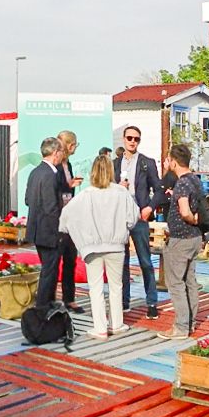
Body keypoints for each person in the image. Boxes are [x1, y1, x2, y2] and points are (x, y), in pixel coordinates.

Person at [59, 154, 137, 338]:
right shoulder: (121, 192)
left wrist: (80, 234)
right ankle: (117, 324)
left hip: (91, 247)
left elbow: (65, 218)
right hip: (116, 245)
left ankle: (100, 328)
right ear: (111, 170)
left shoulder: (85, 194)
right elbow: (133, 219)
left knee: (95, 288)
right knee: (116, 286)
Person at [114, 125, 161, 319]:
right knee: (121, 260)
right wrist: (117, 187)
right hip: (120, 216)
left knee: (145, 260)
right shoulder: (115, 163)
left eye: (136, 139)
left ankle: (151, 301)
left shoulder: (147, 163)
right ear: (123, 140)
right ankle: (123, 301)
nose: (133, 142)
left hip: (139, 214)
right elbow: (104, 187)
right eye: (130, 138)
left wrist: (149, 207)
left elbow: (159, 189)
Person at [160, 143, 203, 339]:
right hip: (194, 237)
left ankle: (181, 327)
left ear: (174, 163)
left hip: (180, 238)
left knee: (176, 283)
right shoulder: (195, 179)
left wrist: (191, 219)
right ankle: (191, 322)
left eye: (168, 160)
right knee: (190, 281)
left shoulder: (182, 183)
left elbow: (185, 211)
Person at [25, 137, 67, 312]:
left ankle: (48, 302)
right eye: (61, 152)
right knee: (49, 271)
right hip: (49, 230)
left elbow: (28, 200)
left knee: (48, 268)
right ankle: (42, 306)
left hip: (36, 229)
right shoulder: (51, 174)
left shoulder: (35, 172)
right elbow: (51, 208)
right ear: (56, 152)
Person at [54, 130, 83, 313]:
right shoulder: (55, 166)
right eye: (75, 145)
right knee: (55, 260)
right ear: (70, 145)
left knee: (71, 259)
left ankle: (69, 298)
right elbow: (55, 189)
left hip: (70, 216)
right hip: (57, 218)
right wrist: (69, 185)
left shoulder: (68, 164)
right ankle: (50, 300)